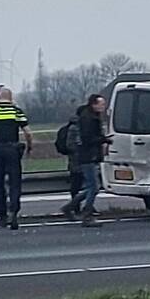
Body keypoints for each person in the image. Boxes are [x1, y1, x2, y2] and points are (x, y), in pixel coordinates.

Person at [0, 88, 33, 230]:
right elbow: (27, 132)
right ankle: (14, 212)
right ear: (11, 98)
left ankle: (2, 215)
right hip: (13, 149)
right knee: (15, 182)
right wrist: (29, 147)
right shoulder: (16, 111)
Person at [61, 95, 111, 227]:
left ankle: (70, 207)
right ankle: (86, 215)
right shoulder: (90, 119)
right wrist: (104, 140)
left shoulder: (88, 117)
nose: (103, 107)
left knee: (92, 186)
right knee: (94, 187)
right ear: (94, 104)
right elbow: (88, 139)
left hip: (87, 156)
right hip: (88, 156)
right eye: (101, 104)